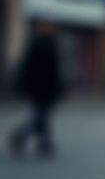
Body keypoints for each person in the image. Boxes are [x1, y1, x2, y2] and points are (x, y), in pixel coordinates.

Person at [9, 22, 65, 158]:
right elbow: (54, 72)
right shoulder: (50, 46)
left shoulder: (37, 44)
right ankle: (22, 135)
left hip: (37, 88)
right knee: (42, 115)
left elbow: (27, 67)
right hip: (46, 88)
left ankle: (44, 143)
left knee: (42, 115)